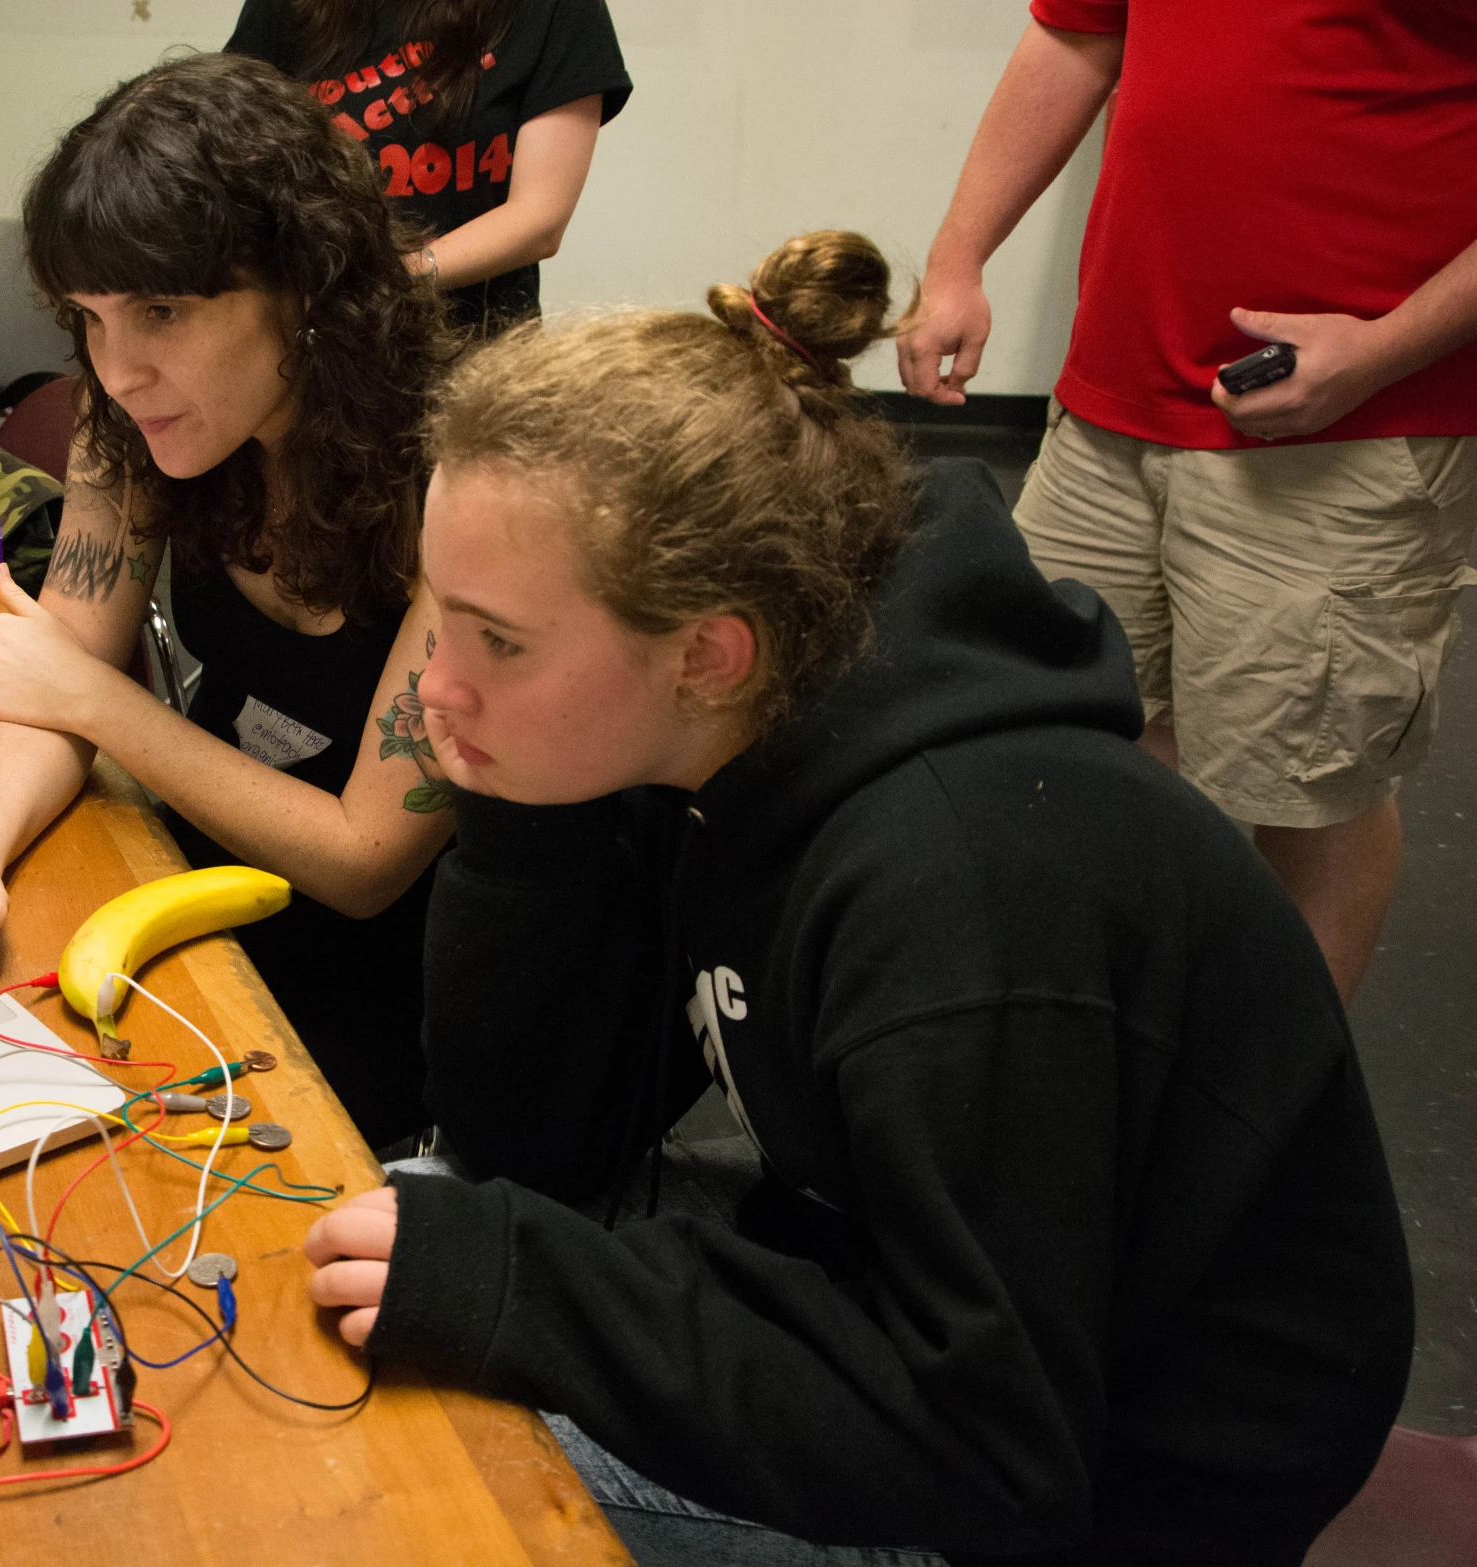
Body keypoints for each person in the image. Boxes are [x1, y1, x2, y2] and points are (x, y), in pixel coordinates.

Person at [301, 233, 1415, 1564]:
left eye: (500, 640)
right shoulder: (697, 731)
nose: (434, 691)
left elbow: (994, 1449)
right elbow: (528, 1146)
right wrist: (520, 807)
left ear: (709, 652)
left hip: (1119, 1467)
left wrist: (521, 1286)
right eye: (445, 622)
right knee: (391, 1257)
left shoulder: (957, 891)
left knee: (400, 1487)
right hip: (903, 1285)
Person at [0, 53, 456, 1151]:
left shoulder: (458, 477)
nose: (118, 372)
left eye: (160, 310)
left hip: (408, 990)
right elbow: (52, 667)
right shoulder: (135, 424)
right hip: (202, 886)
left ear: (302, 285)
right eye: (89, 319)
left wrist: (102, 705)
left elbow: (364, 862)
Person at [897, 4, 1477, 1005]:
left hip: (1348, 425)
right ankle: (1111, 1045)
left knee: (1311, 787)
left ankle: (1280, 1103)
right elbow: (1074, 34)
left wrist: (1383, 350)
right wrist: (958, 255)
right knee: (1067, 733)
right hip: (1115, 397)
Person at [226, 0, 630, 334]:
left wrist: (387, 281)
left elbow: (540, 220)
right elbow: (226, 157)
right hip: (316, 346)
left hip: (474, 351)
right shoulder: (285, 9)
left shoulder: (555, 10)